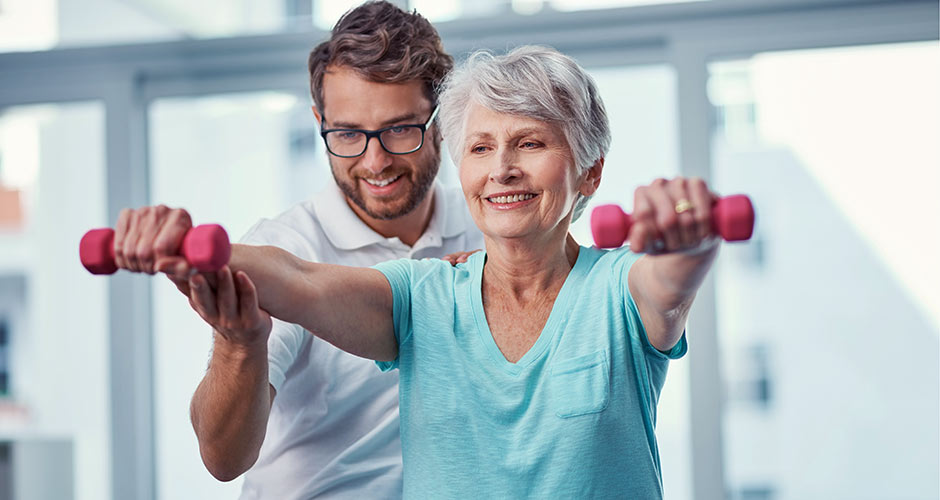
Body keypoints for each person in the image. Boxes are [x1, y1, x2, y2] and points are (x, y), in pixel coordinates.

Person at [119, 46, 723, 498]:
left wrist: (687, 242)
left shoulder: (618, 287)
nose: (502, 169)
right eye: (481, 149)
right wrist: (185, 246)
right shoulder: (424, 292)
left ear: (590, 173)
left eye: (531, 143)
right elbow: (298, 278)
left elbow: (669, 281)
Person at [114, 2, 483, 499]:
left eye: (399, 129)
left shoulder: (488, 226)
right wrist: (240, 344)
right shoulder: (285, 244)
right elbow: (222, 460)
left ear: (441, 120)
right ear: (319, 123)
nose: (375, 162)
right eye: (348, 134)